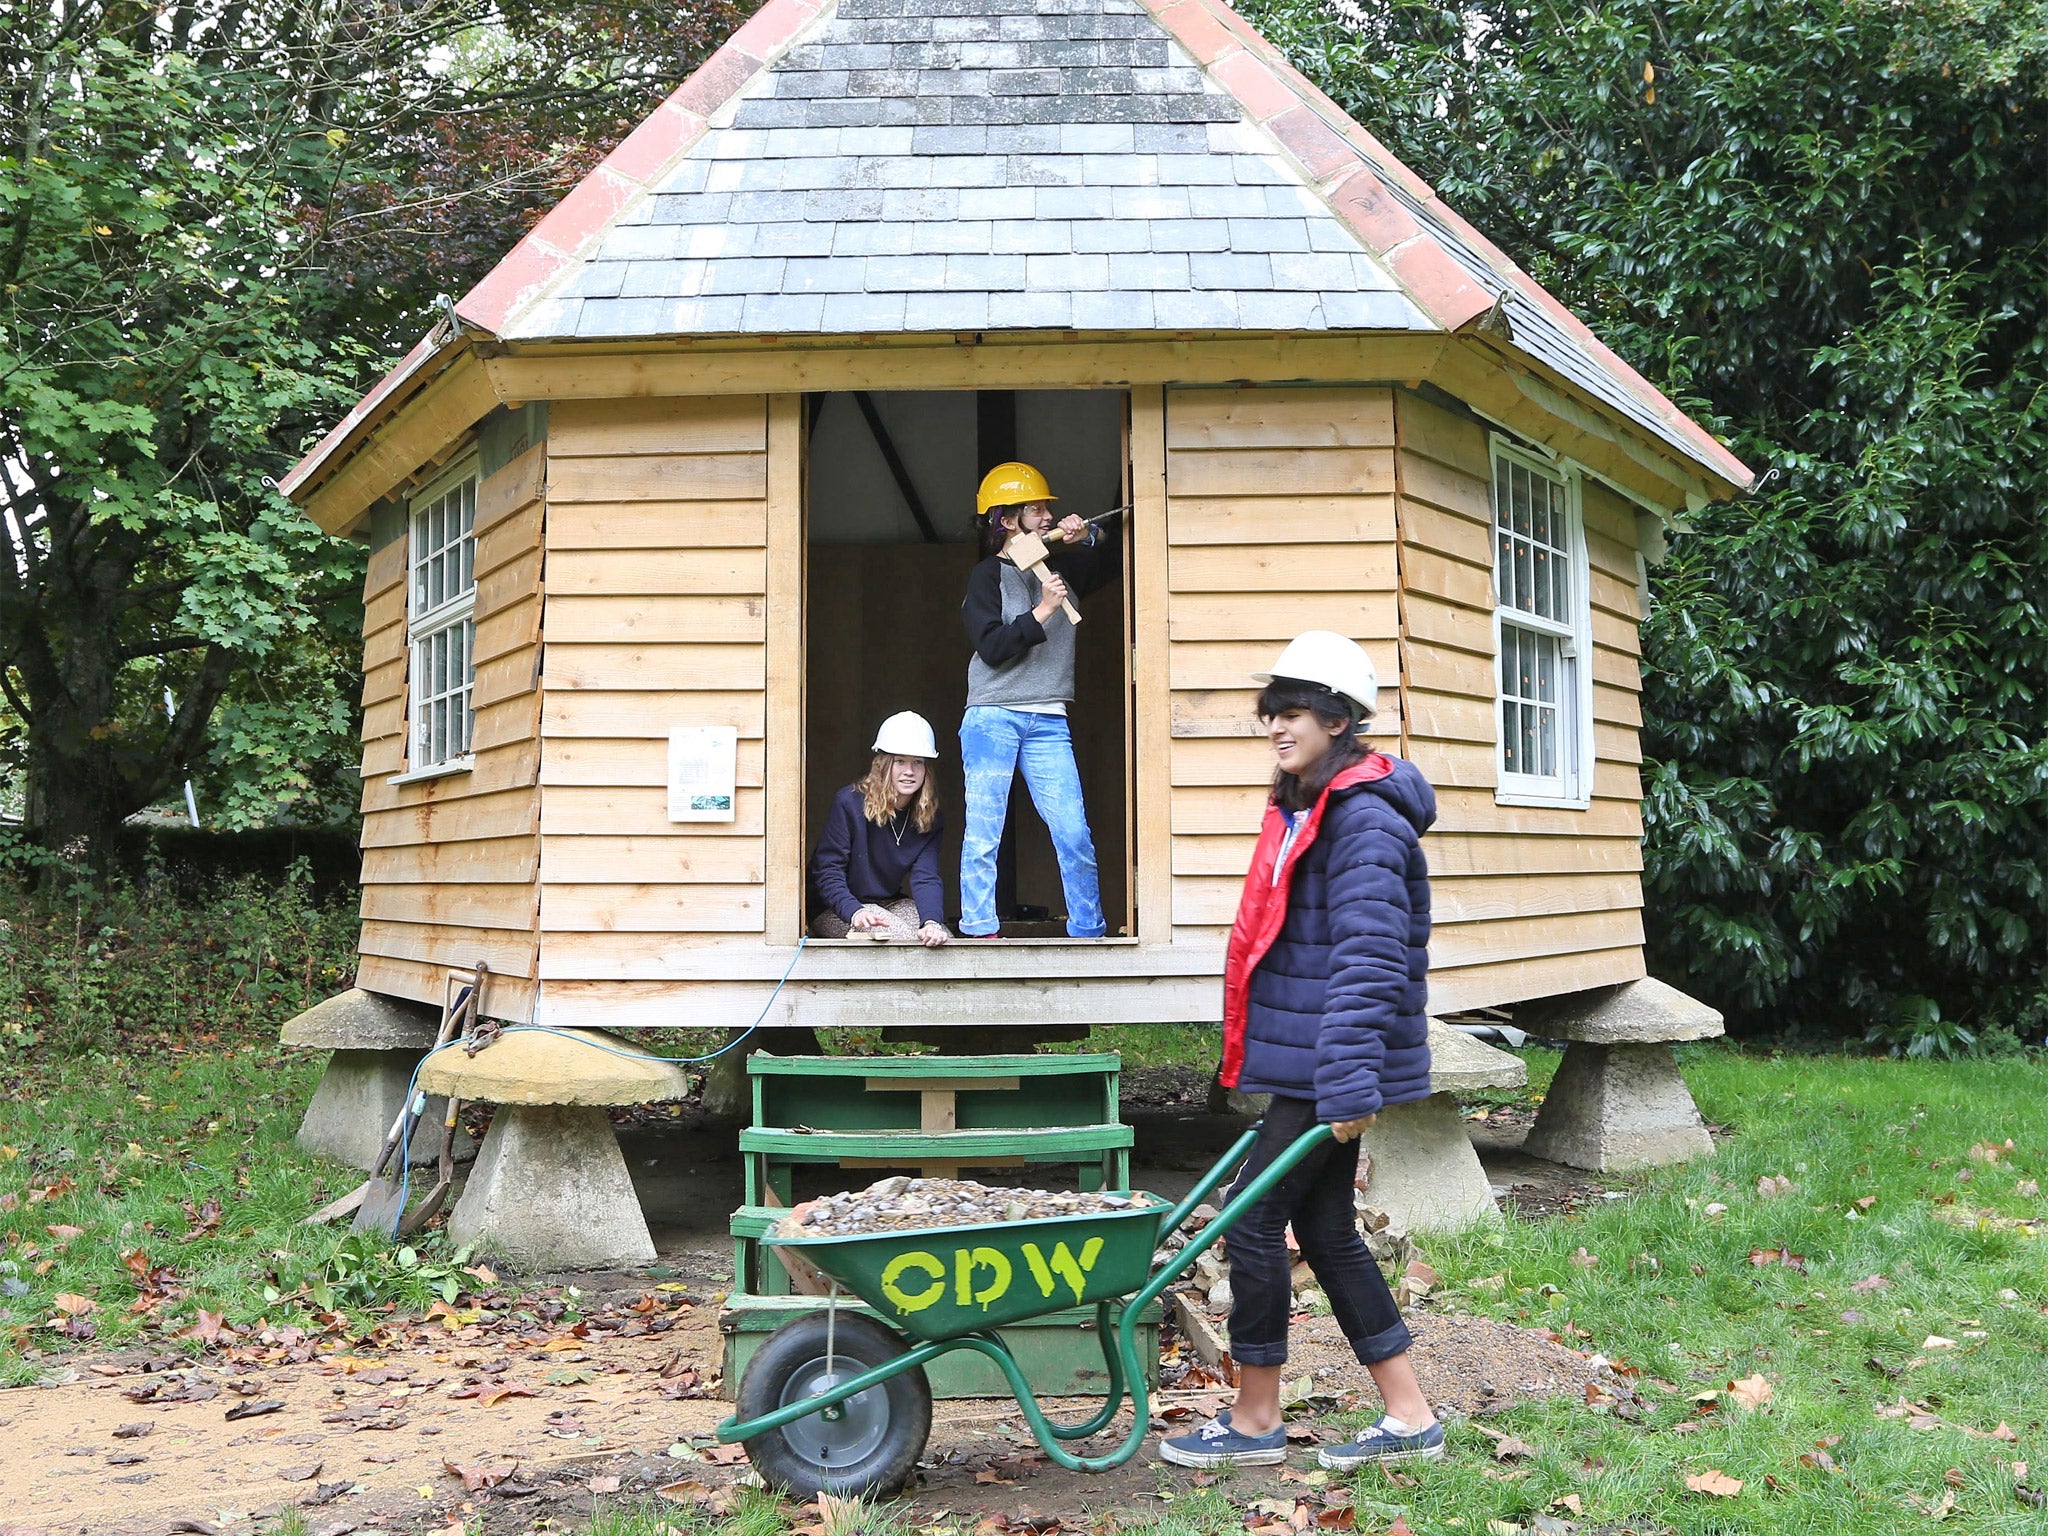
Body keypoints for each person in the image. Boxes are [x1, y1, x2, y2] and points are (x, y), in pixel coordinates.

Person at [1159, 631, 1443, 1470]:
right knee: (1325, 1228)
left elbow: (1369, 956)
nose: (1277, 727)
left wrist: (1351, 1082)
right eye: (1271, 714)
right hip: (1320, 1060)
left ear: (1337, 718)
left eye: (1292, 713)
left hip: (1335, 1064)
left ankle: (1253, 1422)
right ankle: (1408, 1416)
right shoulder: (1312, 807)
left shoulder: (1363, 822)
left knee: (1251, 1220)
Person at [957, 461, 1119, 939]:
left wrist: (1086, 536)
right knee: (984, 833)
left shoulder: (1063, 564)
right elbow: (991, 648)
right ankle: (980, 929)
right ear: (1007, 520)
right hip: (992, 714)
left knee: (1073, 833)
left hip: (1049, 715)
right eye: (1035, 509)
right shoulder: (986, 576)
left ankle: (1088, 931)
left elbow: (1112, 563)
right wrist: (1044, 609)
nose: (1047, 515)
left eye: (1049, 507)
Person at [808, 712, 951, 946]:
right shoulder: (849, 803)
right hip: (836, 907)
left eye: (918, 762)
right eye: (900, 761)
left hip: (888, 901)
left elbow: (926, 877)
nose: (909, 771)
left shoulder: (929, 818)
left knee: (940, 939)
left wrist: (931, 922)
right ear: (883, 765)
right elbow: (827, 870)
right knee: (902, 939)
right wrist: (854, 911)